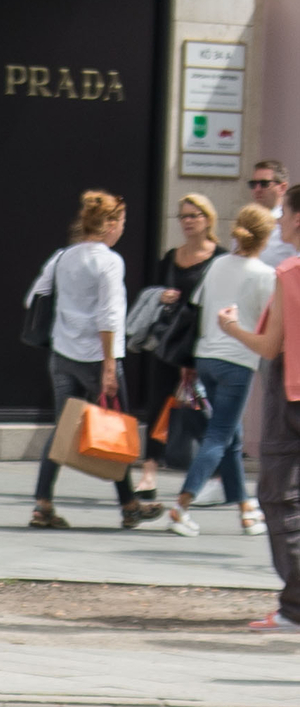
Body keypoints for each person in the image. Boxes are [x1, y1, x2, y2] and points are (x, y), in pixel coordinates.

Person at [26, 191, 140, 529]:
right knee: (118, 428)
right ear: (109, 224)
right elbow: (110, 316)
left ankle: (42, 503)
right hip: (97, 356)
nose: (121, 229)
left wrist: (67, 318)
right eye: (120, 223)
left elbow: (34, 296)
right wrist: (108, 365)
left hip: (62, 354)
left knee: (63, 427)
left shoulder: (62, 257)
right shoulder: (109, 261)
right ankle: (129, 505)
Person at [161, 202, 273, 536]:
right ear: (265, 238)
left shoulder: (218, 264)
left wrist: (190, 363)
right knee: (219, 437)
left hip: (206, 358)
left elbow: (197, 309)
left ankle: (246, 510)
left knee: (231, 439)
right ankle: (181, 507)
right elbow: (269, 323)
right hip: (237, 362)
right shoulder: (264, 275)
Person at [208, 239, 300, 629]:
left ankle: (295, 609)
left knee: (279, 497)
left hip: (293, 395)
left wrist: (231, 327)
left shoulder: (291, 273)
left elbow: (269, 345)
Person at [124, 195, 221, 513]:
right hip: (167, 346)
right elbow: (149, 292)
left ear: (208, 219)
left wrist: (193, 361)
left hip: (199, 347)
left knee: (202, 414)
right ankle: (149, 472)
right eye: (183, 216)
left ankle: (213, 477)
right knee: (158, 408)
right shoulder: (170, 257)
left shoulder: (218, 259)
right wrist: (159, 295)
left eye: (194, 215)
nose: (188, 221)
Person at [252, 161, 292, 268]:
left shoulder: (290, 223)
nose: (257, 189)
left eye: (264, 184)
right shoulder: (246, 222)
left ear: (282, 188)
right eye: (253, 184)